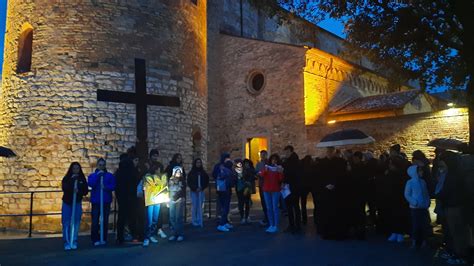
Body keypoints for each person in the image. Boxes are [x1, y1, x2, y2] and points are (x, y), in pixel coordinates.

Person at [437, 151, 470, 265]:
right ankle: (456, 253)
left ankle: (460, 255)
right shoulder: (454, 172)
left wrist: (439, 194)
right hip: (453, 206)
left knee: (457, 233)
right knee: (455, 232)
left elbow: (448, 190)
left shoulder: (452, 175)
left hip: (454, 207)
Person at [316, 147, 348, 240]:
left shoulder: (341, 162)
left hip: (337, 192)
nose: (329, 153)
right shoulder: (322, 162)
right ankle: (327, 233)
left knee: (337, 212)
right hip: (326, 191)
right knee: (326, 213)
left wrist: (334, 184)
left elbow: (342, 175)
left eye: (331, 151)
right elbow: (319, 176)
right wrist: (325, 184)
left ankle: (338, 233)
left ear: (334, 152)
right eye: (328, 151)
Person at [88, 158, 116, 246]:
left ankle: (104, 237)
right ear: (97, 165)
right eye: (100, 165)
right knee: (95, 220)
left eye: (103, 165)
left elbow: (113, 186)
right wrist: (97, 176)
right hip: (96, 201)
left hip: (106, 201)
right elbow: (90, 184)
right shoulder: (92, 175)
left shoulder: (109, 176)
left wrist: (106, 187)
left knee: (105, 221)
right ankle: (95, 239)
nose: (101, 167)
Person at [61, 162, 88, 250]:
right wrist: (72, 183)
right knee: (66, 222)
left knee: (76, 222)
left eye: (77, 168)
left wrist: (78, 191)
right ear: (71, 169)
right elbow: (64, 188)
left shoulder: (82, 178)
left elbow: (85, 190)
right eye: (74, 168)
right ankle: (67, 242)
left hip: (77, 202)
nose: (76, 170)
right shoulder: (67, 178)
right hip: (67, 202)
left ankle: (74, 240)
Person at [404, 165, 431, 249]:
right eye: (420, 171)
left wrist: (427, 202)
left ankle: (424, 241)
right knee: (415, 225)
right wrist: (414, 202)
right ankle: (414, 242)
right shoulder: (410, 182)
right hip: (415, 208)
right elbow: (407, 194)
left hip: (423, 207)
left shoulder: (423, 182)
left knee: (424, 225)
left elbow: (426, 193)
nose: (421, 172)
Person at [385, 156, 411, 243]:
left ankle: (399, 232)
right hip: (393, 197)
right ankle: (395, 232)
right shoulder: (391, 174)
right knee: (393, 215)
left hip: (400, 198)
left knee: (399, 215)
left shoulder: (401, 174)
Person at [115, 154, 139, 244]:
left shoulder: (119, 173)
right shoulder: (132, 172)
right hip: (130, 198)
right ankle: (134, 236)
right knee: (132, 218)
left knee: (121, 218)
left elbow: (118, 187)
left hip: (123, 198)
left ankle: (120, 237)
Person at [142, 163, 168, 247]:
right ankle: (146, 237)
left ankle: (151, 235)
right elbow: (147, 187)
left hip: (158, 200)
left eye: (160, 169)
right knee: (149, 220)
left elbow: (163, 187)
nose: (159, 171)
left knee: (155, 219)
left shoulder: (161, 177)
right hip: (150, 200)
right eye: (157, 169)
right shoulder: (148, 176)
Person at [260, 153, 284, 233]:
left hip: (275, 190)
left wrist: (280, 171)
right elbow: (262, 175)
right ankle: (271, 224)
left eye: (275, 159)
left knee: (275, 208)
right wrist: (266, 170)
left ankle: (275, 225)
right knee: (269, 208)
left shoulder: (278, 168)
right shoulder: (267, 167)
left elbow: (281, 179)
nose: (274, 161)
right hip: (266, 189)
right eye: (273, 159)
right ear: (271, 160)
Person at [346, 151, 368, 240]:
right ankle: (358, 230)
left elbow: (356, 179)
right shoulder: (361, 166)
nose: (354, 160)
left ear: (358, 158)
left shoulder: (359, 168)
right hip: (358, 194)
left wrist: (350, 171)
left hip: (358, 194)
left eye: (355, 158)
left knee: (359, 213)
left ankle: (360, 231)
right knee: (358, 212)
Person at [282, 145, 302, 234]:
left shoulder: (293, 161)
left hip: (293, 187)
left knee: (293, 206)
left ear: (290, 151)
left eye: (286, 152)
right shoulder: (291, 160)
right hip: (291, 186)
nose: (285, 154)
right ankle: (294, 225)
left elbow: (290, 173)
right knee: (293, 206)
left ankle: (295, 225)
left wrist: (282, 170)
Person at [147, 149, 167, 240]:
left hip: (158, 192)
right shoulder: (147, 165)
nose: (155, 157)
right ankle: (149, 233)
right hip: (150, 194)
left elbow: (162, 177)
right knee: (150, 216)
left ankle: (158, 229)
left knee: (158, 214)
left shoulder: (160, 165)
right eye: (154, 155)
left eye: (156, 156)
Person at [187, 158, 209, 227]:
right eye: (197, 163)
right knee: (194, 206)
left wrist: (202, 188)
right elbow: (189, 182)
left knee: (200, 206)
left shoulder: (203, 172)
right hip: (194, 191)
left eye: (199, 163)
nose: (198, 164)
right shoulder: (192, 172)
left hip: (201, 191)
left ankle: (200, 220)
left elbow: (206, 181)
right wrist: (194, 188)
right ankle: (194, 220)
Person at [215, 156, 235, 232]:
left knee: (224, 207)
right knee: (225, 208)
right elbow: (231, 182)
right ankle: (222, 224)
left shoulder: (221, 169)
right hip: (226, 191)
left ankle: (225, 222)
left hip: (221, 190)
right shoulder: (228, 171)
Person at [168, 166, 186, 242]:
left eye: (179, 172)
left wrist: (178, 197)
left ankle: (180, 234)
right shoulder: (170, 180)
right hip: (171, 200)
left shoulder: (182, 181)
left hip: (179, 200)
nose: (178, 173)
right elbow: (168, 189)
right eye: (177, 172)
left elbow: (182, 191)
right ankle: (173, 234)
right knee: (172, 217)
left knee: (178, 217)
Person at [234, 159, 254, 224]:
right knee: (241, 203)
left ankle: (246, 216)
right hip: (240, 189)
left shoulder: (249, 170)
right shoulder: (239, 170)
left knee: (246, 203)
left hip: (246, 189)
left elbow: (251, 178)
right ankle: (243, 217)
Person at [300, 155, 317, 225]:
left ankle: (304, 219)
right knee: (316, 202)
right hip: (313, 185)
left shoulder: (302, 166)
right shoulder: (313, 166)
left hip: (304, 185)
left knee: (303, 203)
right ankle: (316, 218)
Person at [255, 150, 269, 226]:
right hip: (261, 184)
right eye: (261, 155)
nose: (262, 156)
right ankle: (266, 217)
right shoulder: (258, 164)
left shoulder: (269, 163)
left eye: (264, 155)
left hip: (268, 185)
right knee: (264, 202)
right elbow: (256, 173)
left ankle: (268, 218)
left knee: (268, 202)